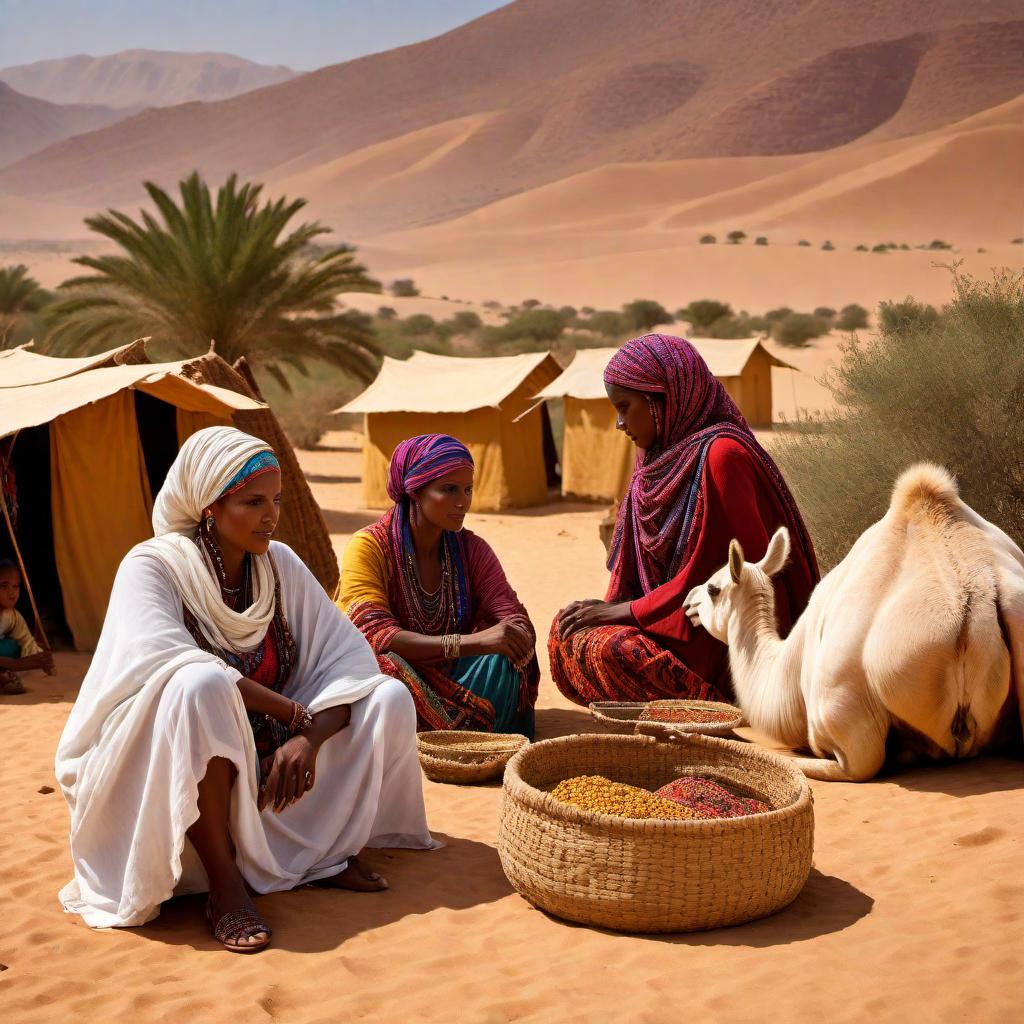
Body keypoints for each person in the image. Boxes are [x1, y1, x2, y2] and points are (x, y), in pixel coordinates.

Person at [55, 427, 437, 954]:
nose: (271, 516)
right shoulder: (151, 566)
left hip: (273, 742)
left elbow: (350, 659)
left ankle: (322, 854)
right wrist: (296, 716)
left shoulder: (279, 565)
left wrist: (308, 738)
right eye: (253, 502)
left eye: (276, 501)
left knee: (387, 698)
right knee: (200, 683)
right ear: (210, 505)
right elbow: (168, 661)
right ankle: (224, 884)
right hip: (158, 749)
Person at [550, 333, 818, 705]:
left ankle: (715, 702)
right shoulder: (653, 459)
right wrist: (608, 610)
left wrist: (623, 612)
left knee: (611, 654)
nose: (619, 423)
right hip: (663, 623)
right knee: (567, 633)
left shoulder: (722, 456)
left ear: (664, 399)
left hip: (721, 638)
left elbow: (721, 576)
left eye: (626, 407)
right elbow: (631, 574)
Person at [338, 433, 538, 737]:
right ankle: (457, 731)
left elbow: (511, 615)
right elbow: (374, 634)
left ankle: (459, 731)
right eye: (449, 490)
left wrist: (510, 635)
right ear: (415, 492)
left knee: (506, 658)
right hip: (406, 679)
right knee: (384, 670)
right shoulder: (369, 547)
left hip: (459, 676)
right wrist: (475, 642)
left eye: (468, 490)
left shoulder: (471, 550)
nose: (463, 502)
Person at [0, 559, 54, 694]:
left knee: (12, 647)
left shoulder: (12, 616)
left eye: (15, 586)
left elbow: (26, 641)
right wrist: (19, 665)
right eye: (4, 586)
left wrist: (41, 658)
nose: (11, 592)